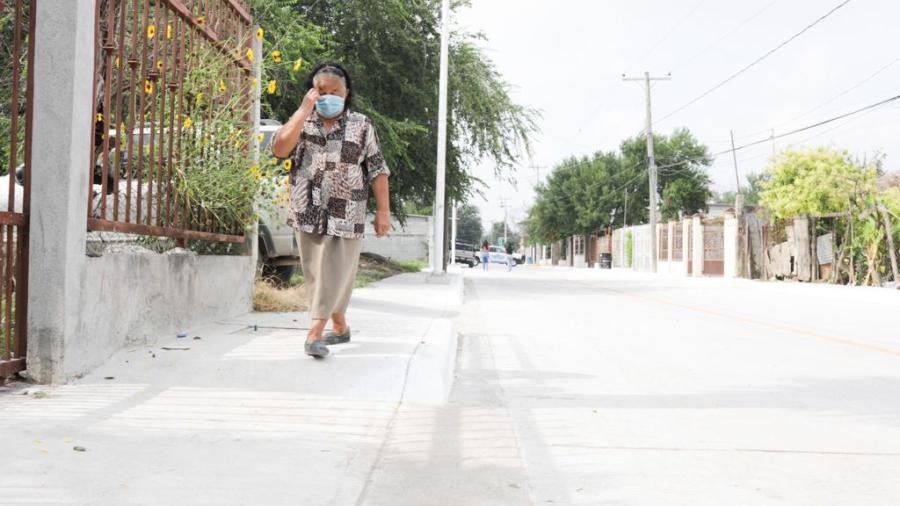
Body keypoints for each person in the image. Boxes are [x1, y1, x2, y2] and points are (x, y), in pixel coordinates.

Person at [271, 62, 390, 359]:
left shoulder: (362, 125)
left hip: (347, 210)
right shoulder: (303, 121)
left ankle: (314, 334)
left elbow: (377, 170)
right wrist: (301, 111)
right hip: (307, 207)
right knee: (316, 273)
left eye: (334, 91)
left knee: (333, 270)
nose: (328, 96)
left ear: (346, 93)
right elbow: (280, 149)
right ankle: (339, 326)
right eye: (321, 91)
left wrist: (383, 213)